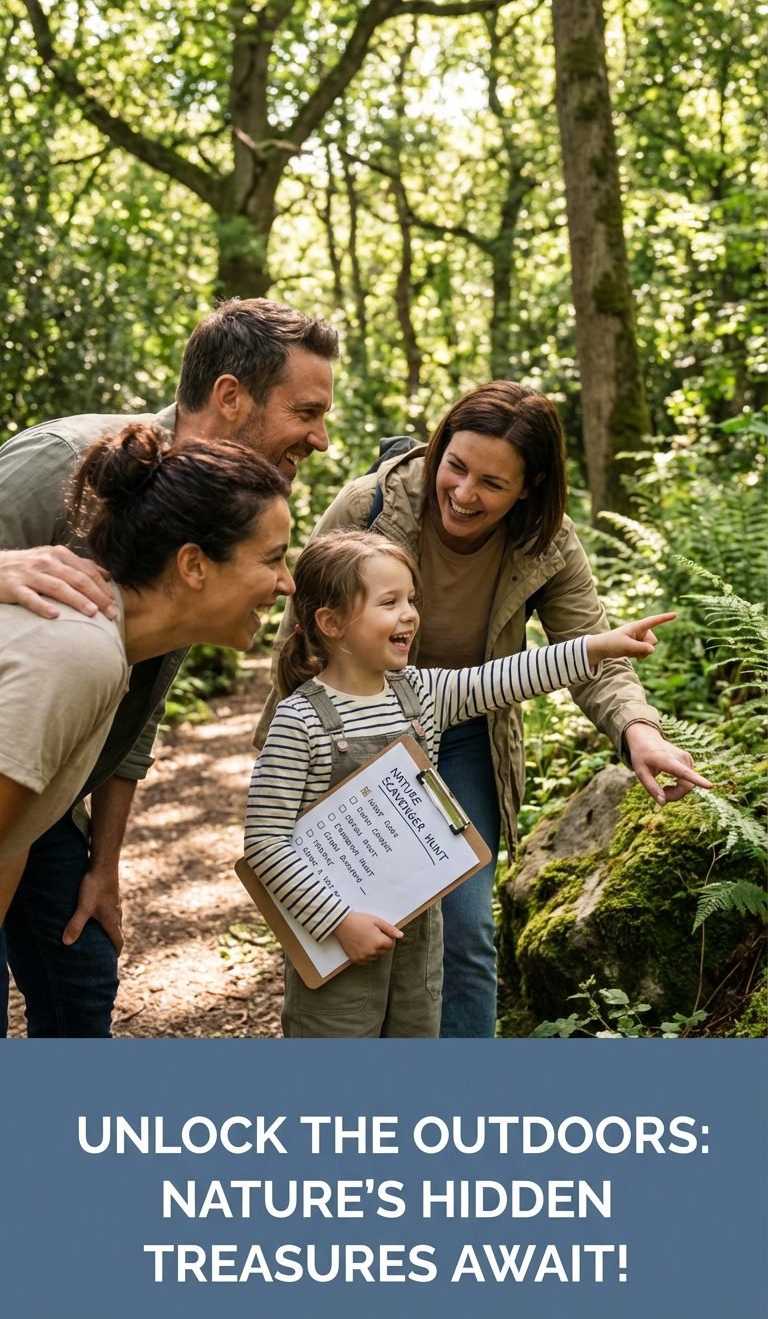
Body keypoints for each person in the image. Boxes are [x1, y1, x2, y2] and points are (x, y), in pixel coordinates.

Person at [255, 382, 712, 1038]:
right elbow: (299, 629)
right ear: (438, 449)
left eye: (492, 484)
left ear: (528, 489)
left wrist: (638, 730)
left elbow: (540, 666)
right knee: (348, 922)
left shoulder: (547, 542)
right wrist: (292, 756)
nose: (465, 494)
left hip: (457, 729)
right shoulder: (372, 506)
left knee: (460, 928)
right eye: (456, 467)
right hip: (345, 731)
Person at [0, 296, 336, 1037]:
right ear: (229, 396)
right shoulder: (59, 465)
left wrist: (105, 864)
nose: (319, 438)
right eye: (307, 411)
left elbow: (135, 715)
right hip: (17, 734)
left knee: (81, 975)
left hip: (50, 775)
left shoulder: (215, 512)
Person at [0, 422, 294, 935]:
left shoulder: (107, 648)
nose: (287, 583)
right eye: (272, 559)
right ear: (194, 565)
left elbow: (12, 840)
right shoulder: (80, 653)